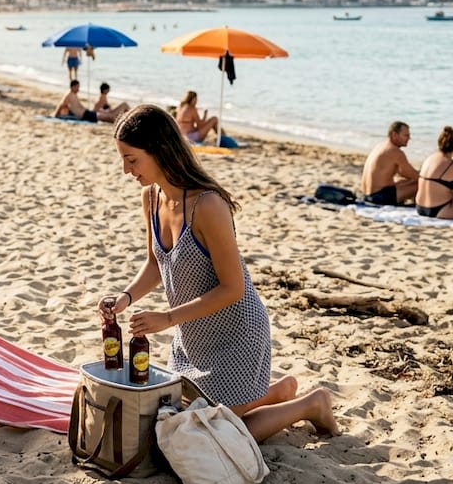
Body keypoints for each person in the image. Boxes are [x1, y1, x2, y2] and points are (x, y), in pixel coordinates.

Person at [99, 105, 338, 442]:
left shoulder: (208, 206)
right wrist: (124, 298)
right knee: (191, 421)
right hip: (192, 338)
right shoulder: (151, 198)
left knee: (214, 434)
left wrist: (167, 318)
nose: (126, 170)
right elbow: (155, 264)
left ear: (160, 150)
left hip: (237, 336)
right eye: (122, 159)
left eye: (132, 159)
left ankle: (312, 404)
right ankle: (279, 392)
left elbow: (232, 288)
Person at [361, 121, 419, 206]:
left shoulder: (381, 146)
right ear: (394, 135)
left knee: (403, 182)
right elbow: (414, 175)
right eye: (406, 135)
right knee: (422, 183)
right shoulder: (395, 151)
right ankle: (420, 206)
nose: (409, 138)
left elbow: (403, 173)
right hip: (380, 198)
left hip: (367, 195)